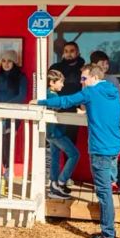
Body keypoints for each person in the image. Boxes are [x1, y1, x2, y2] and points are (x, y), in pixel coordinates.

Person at [33, 64, 120, 238]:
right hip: (114, 146)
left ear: (95, 78)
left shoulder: (91, 92)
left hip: (100, 149)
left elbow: (65, 101)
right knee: (106, 190)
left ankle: (108, 234)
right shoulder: (113, 92)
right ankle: (108, 232)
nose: (82, 82)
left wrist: (40, 102)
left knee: (104, 193)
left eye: (84, 78)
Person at [0, 50, 28, 184]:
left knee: (9, 140)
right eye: (3, 60)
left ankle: (8, 168)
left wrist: (6, 107)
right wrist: (0, 108)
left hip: (13, 114)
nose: (6, 63)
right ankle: (5, 167)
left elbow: (21, 97)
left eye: (9, 61)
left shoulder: (21, 77)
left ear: (14, 62)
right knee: (2, 140)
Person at [48, 41, 85, 186]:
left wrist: (83, 106)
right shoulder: (56, 68)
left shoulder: (83, 69)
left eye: (72, 51)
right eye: (66, 51)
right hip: (57, 110)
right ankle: (54, 178)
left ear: (78, 52)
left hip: (74, 111)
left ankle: (66, 176)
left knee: (70, 143)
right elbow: (47, 86)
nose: (69, 53)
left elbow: (85, 88)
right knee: (55, 147)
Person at [45, 69, 80, 200]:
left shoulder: (49, 94)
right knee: (75, 154)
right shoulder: (53, 96)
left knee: (55, 157)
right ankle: (61, 182)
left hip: (51, 132)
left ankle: (54, 186)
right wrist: (76, 110)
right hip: (56, 132)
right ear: (51, 83)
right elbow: (61, 106)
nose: (63, 85)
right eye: (60, 82)